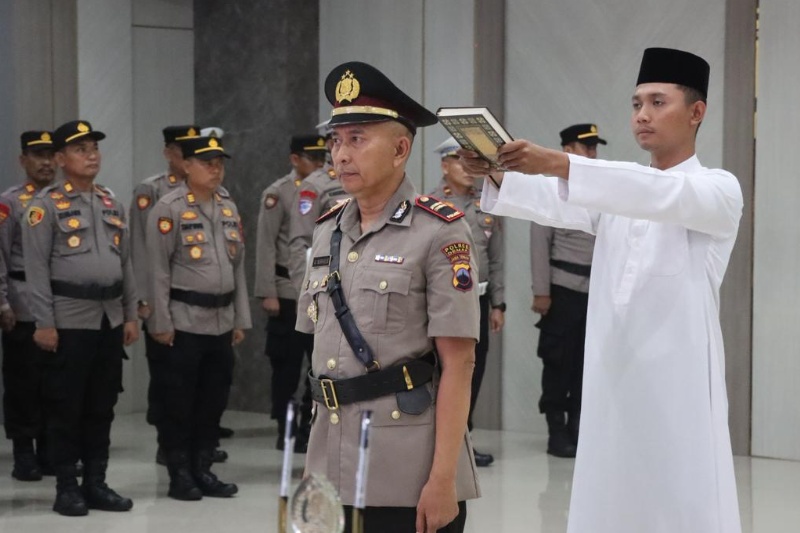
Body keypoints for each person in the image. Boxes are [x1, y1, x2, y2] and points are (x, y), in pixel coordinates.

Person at [461, 47, 743, 533]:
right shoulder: (613, 192)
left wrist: (560, 163)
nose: (642, 115)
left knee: (680, 502)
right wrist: (495, 168)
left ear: (697, 112)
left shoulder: (717, 190)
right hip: (613, 380)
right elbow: (553, 201)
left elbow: (655, 194)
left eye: (658, 102)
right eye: (636, 104)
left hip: (678, 390)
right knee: (608, 499)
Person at [297, 61, 480, 533]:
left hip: (404, 466)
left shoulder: (438, 232)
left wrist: (443, 479)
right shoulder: (326, 230)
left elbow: (458, 364)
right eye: (336, 141)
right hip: (329, 461)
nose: (341, 155)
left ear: (400, 148)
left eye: (357, 139)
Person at [23, 120, 139, 516]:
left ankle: (96, 482)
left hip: (107, 320)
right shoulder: (45, 206)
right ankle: (66, 487)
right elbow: (36, 272)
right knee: (65, 407)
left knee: (101, 406)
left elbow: (125, 264)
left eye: (94, 148)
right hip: (68, 321)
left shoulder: (110, 202)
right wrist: (43, 322)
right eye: (80, 149)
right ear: (59, 159)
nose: (91, 155)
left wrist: (129, 314)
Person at [145, 135, 251, 501]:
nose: (215, 168)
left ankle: (203, 469)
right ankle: (180, 474)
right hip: (183, 321)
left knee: (212, 402)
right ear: (186, 165)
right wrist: (160, 322)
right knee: (179, 403)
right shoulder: (168, 208)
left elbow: (237, 267)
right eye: (206, 162)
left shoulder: (227, 206)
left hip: (220, 322)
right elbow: (157, 271)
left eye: (219, 162)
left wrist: (241, 318)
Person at [429, 137, 504, 467]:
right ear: (445, 166)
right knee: (445, 371)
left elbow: (496, 257)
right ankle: (442, 443)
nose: (466, 169)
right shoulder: (430, 205)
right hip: (445, 304)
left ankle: (464, 439)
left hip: (480, 299)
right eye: (459, 161)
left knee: (474, 369)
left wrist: (499, 303)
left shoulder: (486, 203)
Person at [529, 124, 603, 458]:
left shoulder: (601, 190)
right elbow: (539, 244)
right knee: (558, 362)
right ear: (568, 150)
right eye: (586, 148)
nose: (592, 154)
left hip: (595, 294)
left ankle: (579, 427)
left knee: (586, 364)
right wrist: (541, 292)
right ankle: (556, 431)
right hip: (562, 291)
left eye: (594, 149)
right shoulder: (552, 190)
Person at [254, 135, 323, 452]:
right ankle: (285, 426)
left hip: (316, 294)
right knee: (286, 364)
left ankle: (310, 427)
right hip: (285, 291)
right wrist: (267, 291)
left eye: (323, 157)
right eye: (313, 158)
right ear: (295, 159)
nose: (320, 164)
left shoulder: (326, 188)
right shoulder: (278, 193)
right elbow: (266, 243)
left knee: (317, 363)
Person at [0, 131, 57, 481]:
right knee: (23, 382)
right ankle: (24, 452)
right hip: (22, 303)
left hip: (59, 304)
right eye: (38, 155)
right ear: (24, 160)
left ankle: (52, 451)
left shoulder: (65, 201)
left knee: (55, 383)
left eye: (51, 155)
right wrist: (2, 302)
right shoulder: (8, 203)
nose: (46, 162)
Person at [287, 137, 348, 292]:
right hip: (326, 282)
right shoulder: (315, 185)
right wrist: (305, 294)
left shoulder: (367, 180)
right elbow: (300, 244)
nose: (320, 163)